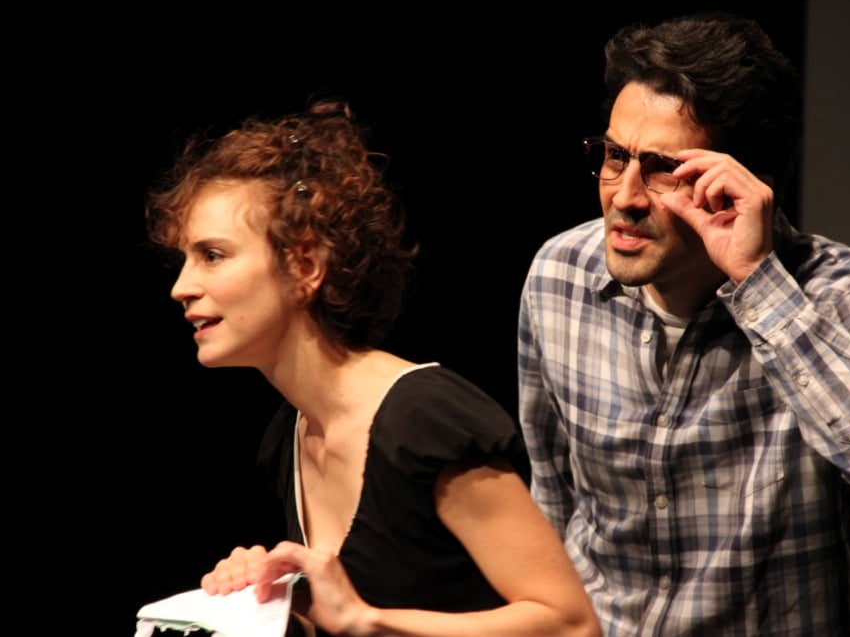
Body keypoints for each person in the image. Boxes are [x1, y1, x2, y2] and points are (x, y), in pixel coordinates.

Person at [517, 11, 850, 635]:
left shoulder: (841, 291)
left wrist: (758, 283)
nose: (625, 196)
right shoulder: (559, 275)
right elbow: (553, 498)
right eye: (615, 156)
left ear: (741, 185)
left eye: (663, 168)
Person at [145, 100, 602, 637]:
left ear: (305, 264)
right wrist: (271, 601)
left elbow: (570, 624)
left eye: (213, 255)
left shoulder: (425, 424)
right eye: (185, 259)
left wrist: (366, 620)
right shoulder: (292, 434)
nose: (181, 287)